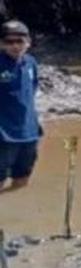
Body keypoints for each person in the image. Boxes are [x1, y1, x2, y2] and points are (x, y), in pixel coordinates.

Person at [0, 21, 42, 192]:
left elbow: (32, 91)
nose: (15, 45)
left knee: (22, 179)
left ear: (28, 42)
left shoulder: (31, 62)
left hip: (29, 133)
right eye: (9, 41)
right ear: (1, 43)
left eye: (20, 41)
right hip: (3, 136)